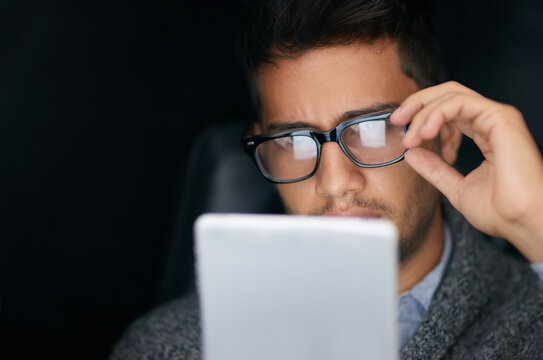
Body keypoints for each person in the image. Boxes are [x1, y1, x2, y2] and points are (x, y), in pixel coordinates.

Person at [111, 0, 543, 358]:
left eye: (372, 128)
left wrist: (536, 224)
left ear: (446, 136)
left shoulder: (532, 320)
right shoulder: (163, 347)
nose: (336, 183)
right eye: (295, 140)